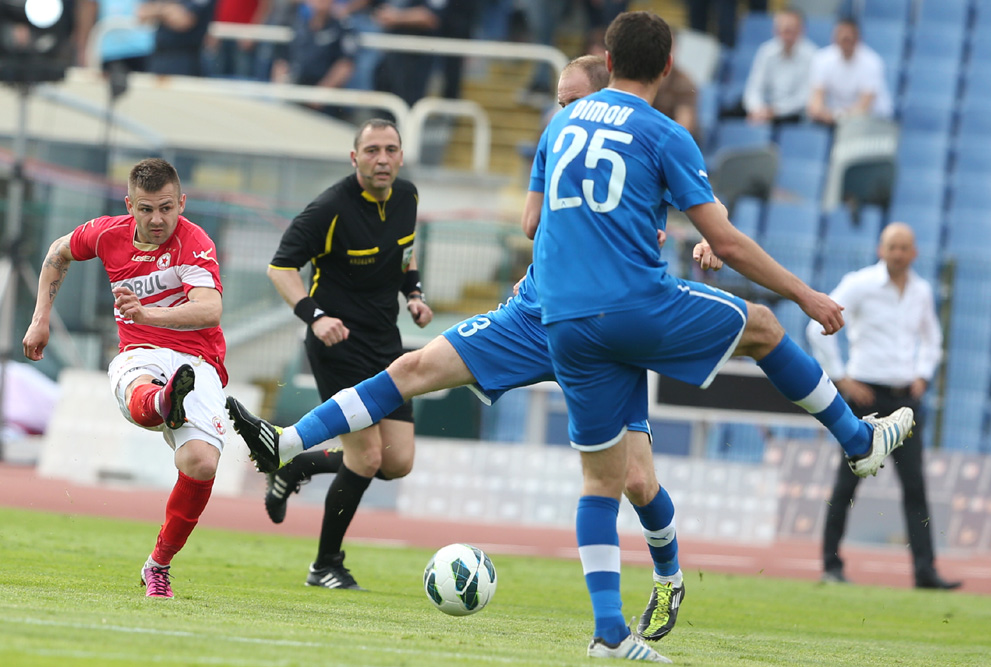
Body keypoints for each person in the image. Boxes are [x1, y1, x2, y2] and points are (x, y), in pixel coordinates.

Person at [227, 55, 724, 643]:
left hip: (608, 332)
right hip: (530, 319)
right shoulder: (556, 144)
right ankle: (291, 461)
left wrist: (704, 242)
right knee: (408, 378)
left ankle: (668, 578)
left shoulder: (644, 142)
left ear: (604, 98)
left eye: (571, 101)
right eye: (559, 102)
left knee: (635, 482)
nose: (561, 112)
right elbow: (534, 225)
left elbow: (697, 210)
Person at [523, 11, 913, 661]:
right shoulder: (664, 131)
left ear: (607, 61)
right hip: (634, 305)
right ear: (669, 66)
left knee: (603, 481)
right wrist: (806, 295)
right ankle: (857, 438)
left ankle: (610, 631)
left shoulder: (559, 124)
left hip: (563, 319)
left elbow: (535, 222)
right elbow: (726, 242)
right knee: (763, 326)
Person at [238, 118, 434, 591]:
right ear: (354, 158)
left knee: (397, 462)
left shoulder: (407, 197)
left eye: (390, 149)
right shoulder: (329, 208)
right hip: (338, 345)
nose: (382, 159)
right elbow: (280, 267)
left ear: (401, 156)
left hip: (387, 345)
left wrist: (414, 293)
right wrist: (315, 316)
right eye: (372, 150)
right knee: (365, 458)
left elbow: (404, 253)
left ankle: (300, 464)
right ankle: (325, 565)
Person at [22, 158, 228, 600]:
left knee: (202, 464)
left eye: (167, 208)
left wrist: (147, 313)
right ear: (129, 205)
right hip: (138, 353)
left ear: (182, 203)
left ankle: (158, 564)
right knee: (142, 388)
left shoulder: (195, 241)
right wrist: (41, 319)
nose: (158, 220)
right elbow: (58, 253)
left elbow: (210, 309)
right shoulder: (105, 233)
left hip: (196, 360)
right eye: (147, 209)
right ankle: (162, 402)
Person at [806, 223, 960, 590]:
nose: (899, 253)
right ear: (881, 250)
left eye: (905, 247)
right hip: (865, 397)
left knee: (915, 487)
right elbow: (817, 328)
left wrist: (923, 375)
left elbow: (932, 339)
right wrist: (841, 378)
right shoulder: (859, 284)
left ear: (915, 252)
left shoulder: (921, 291)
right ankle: (831, 565)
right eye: (893, 246)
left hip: (906, 399)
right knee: (846, 484)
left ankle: (925, 572)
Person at [271, 0, 358, 117]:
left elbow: (345, 63)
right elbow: (282, 60)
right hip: (296, 88)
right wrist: (280, 90)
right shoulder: (296, 24)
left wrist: (322, 92)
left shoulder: (342, 27)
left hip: (325, 97)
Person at [807, 17, 892, 125]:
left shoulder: (872, 62)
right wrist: (826, 115)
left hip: (871, 120)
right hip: (835, 119)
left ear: (857, 39)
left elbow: (864, 106)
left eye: (848, 39)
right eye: (841, 36)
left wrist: (838, 117)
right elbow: (816, 101)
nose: (844, 41)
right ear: (834, 38)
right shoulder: (821, 59)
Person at [742, 6, 817, 125]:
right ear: (775, 30)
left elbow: (805, 97)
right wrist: (757, 109)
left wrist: (775, 111)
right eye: (782, 29)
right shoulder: (766, 51)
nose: (787, 35)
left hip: (795, 115)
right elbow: (754, 88)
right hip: (765, 111)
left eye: (791, 30)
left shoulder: (812, 55)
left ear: (801, 30)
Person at [138, 0, 217, 77]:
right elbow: (143, 13)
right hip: (159, 55)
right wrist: (167, 11)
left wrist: (158, 10)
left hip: (186, 57)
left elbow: (182, 20)